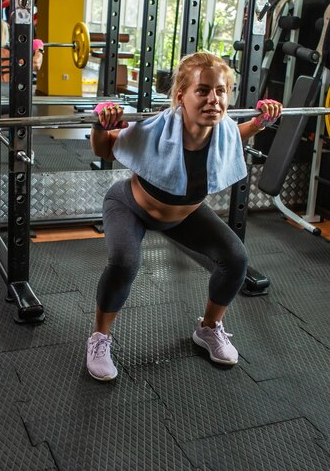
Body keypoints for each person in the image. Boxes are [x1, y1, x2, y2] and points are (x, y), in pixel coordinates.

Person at [87, 52, 282, 381]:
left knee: (236, 259)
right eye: (202, 91)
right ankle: (99, 338)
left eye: (220, 91)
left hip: (184, 215)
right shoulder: (154, 130)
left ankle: (208, 328)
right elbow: (103, 149)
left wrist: (261, 122)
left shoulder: (224, 132)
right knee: (124, 262)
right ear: (181, 95)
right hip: (130, 206)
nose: (213, 99)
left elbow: (239, 133)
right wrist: (99, 125)